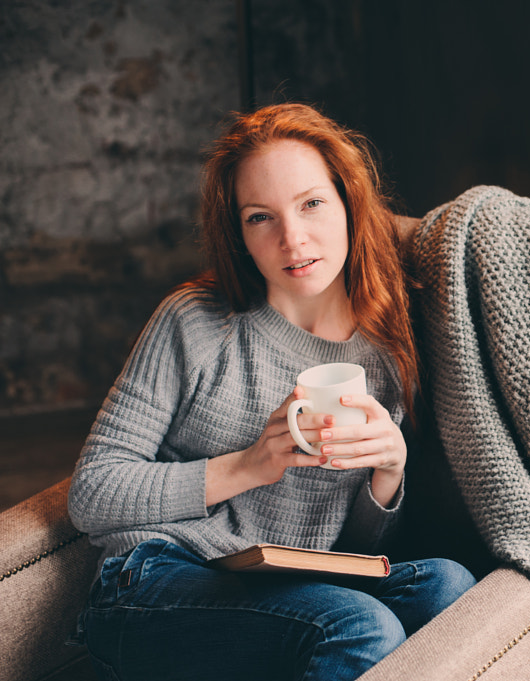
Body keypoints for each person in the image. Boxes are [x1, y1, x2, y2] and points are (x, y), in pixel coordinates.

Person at [67, 103, 476, 681]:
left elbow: (353, 540)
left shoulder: (386, 346)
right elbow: (92, 493)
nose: (293, 238)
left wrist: (388, 476)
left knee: (450, 590)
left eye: (311, 204)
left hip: (288, 582)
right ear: (239, 234)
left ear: (349, 204)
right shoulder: (196, 322)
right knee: (360, 627)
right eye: (261, 217)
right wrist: (247, 466)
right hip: (154, 578)